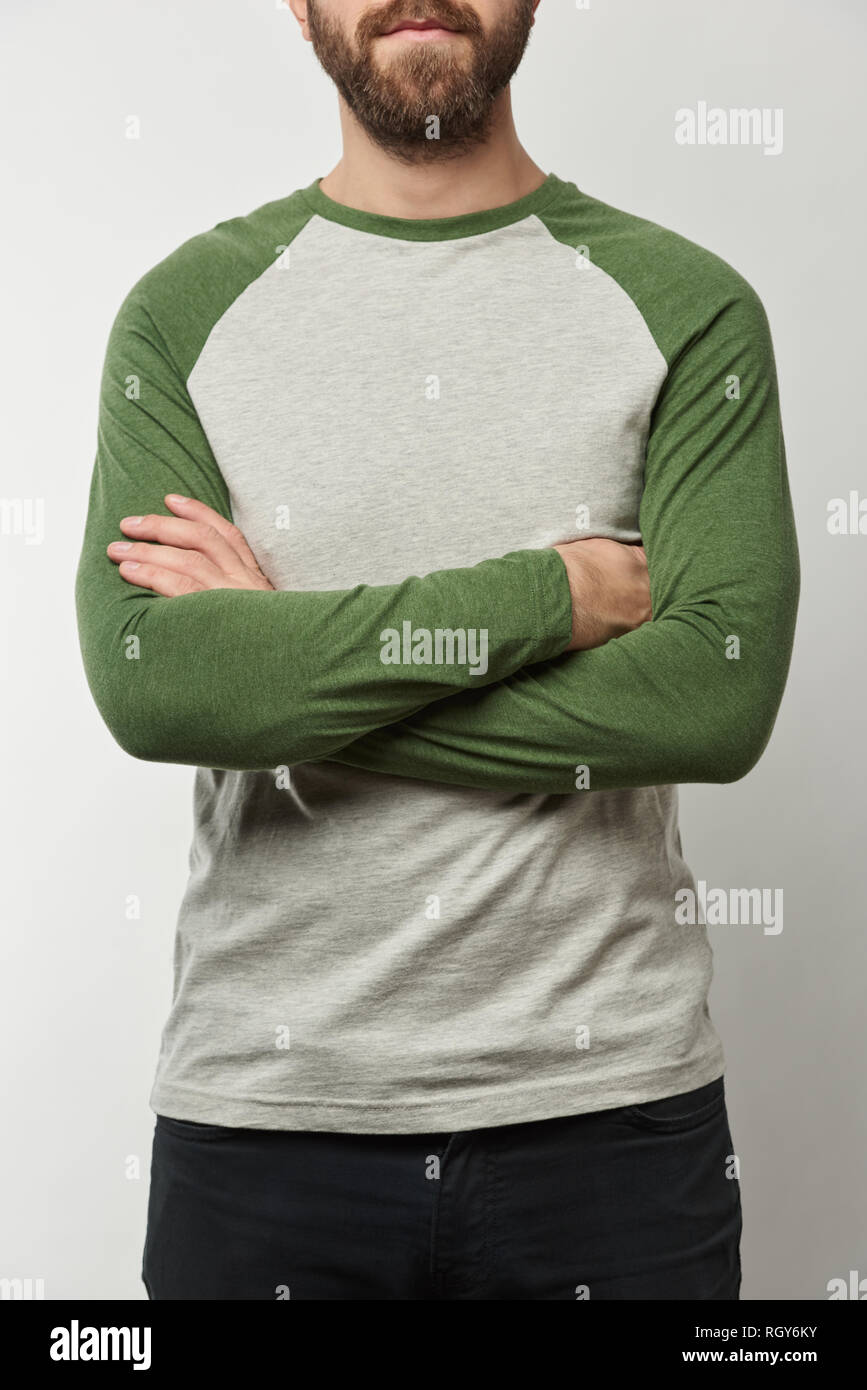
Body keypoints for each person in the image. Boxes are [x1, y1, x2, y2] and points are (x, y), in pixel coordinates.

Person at [74, 0, 799, 1300]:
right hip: (265, 1128)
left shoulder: (689, 309)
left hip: (612, 1128)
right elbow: (153, 678)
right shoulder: (181, 319)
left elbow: (718, 692)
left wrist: (285, 681)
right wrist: (555, 596)